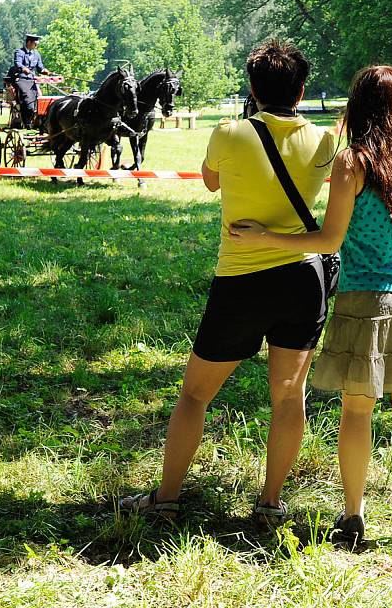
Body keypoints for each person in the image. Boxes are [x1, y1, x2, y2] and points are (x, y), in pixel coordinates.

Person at [230, 64, 392, 551]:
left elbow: (330, 238)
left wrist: (267, 236)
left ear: (357, 105)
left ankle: (354, 517)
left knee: (356, 414)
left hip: (366, 303)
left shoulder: (352, 162)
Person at [121, 39, 337, 524]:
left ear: (253, 89)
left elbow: (211, 181)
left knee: (195, 394)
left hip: (241, 280)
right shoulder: (324, 141)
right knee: (288, 397)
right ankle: (269, 504)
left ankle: (168, 498)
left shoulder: (229, 133)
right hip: (303, 280)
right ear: (301, 91)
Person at [8, 33, 52, 127]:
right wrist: (24, 69)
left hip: (33, 80)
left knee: (40, 99)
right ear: (29, 42)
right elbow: (18, 64)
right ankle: (27, 122)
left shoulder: (36, 54)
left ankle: (40, 122)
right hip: (21, 79)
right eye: (35, 44)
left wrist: (46, 71)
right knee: (28, 101)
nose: (36, 46)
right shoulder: (19, 52)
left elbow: (40, 68)